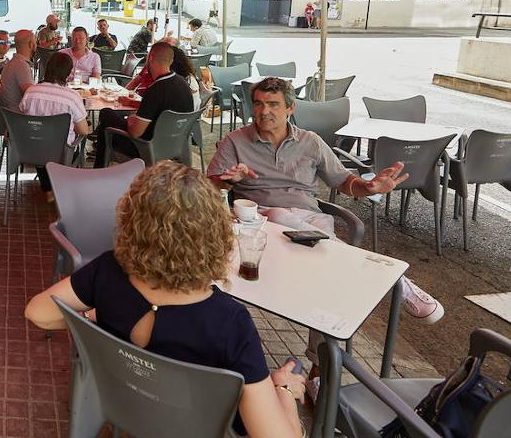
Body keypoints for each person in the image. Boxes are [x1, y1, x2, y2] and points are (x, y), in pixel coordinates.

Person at [25, 162, 306, 438]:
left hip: (126, 406)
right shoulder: (230, 323)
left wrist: (91, 319)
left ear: (132, 221)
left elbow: (38, 312)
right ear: (214, 233)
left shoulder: (108, 272)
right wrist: (282, 390)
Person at [205, 77, 445, 396]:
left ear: (290, 108)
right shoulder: (235, 141)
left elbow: (345, 181)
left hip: (312, 225)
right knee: (281, 216)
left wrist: (369, 186)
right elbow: (209, 188)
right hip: (259, 228)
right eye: (259, 103)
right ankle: (391, 279)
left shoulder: (311, 142)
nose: (264, 111)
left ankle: (318, 371)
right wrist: (225, 181)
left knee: (331, 284)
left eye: (274, 104)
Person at [94, 42, 194, 167]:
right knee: (114, 119)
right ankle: (99, 168)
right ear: (171, 60)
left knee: (106, 114)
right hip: (175, 144)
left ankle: (99, 167)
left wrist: (131, 120)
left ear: (150, 58)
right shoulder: (182, 84)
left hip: (145, 147)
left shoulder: (156, 89)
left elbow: (135, 132)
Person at [19, 52, 91, 198]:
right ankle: (61, 187)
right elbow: (83, 131)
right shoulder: (72, 96)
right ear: (68, 73)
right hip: (61, 152)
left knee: (41, 142)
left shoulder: (31, 92)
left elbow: (23, 117)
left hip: (31, 150)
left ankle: (48, 187)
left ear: (48, 68)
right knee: (74, 142)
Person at [0, 29, 36, 112]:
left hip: (11, 115)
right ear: (31, 44)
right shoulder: (21, 66)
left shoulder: (13, 62)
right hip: (19, 117)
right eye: (35, 42)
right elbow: (31, 97)